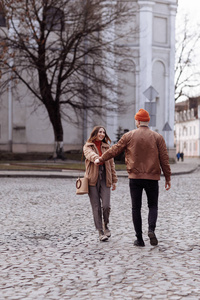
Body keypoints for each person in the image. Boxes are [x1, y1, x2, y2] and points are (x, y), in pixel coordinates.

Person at [95, 109, 171, 247]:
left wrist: (101, 158)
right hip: (153, 178)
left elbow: (114, 149)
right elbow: (164, 159)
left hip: (135, 178)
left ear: (137, 121)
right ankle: (151, 230)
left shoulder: (129, 136)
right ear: (148, 121)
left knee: (136, 208)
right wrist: (168, 177)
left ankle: (139, 239)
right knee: (153, 205)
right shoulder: (158, 137)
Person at [83, 126, 118, 242]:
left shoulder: (107, 147)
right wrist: (97, 158)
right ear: (95, 133)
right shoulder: (88, 146)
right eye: (100, 132)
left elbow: (112, 165)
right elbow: (89, 155)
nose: (102, 134)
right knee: (96, 206)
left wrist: (114, 180)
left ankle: (106, 225)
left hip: (105, 178)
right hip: (92, 179)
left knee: (106, 205)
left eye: (103, 132)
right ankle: (100, 232)